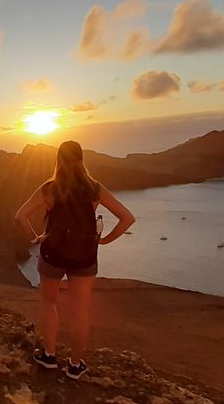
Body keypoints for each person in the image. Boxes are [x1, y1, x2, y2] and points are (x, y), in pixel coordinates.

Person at [14, 141, 135, 379]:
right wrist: (104, 240)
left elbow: (21, 215)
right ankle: (75, 365)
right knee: (80, 311)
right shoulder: (95, 189)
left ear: (58, 160)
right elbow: (127, 218)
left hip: (52, 254)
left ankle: (49, 356)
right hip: (85, 257)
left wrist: (36, 238)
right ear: (82, 160)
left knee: (49, 303)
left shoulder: (50, 188)